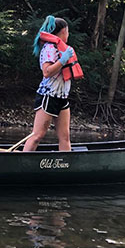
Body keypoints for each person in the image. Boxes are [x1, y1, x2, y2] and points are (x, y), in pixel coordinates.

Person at [23, 16, 83, 152]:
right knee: (37, 135)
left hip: (62, 97)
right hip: (48, 95)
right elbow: (47, 72)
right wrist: (63, 60)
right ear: (62, 32)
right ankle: (24, 162)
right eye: (67, 32)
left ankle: (66, 166)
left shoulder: (63, 48)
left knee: (65, 137)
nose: (68, 35)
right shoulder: (49, 48)